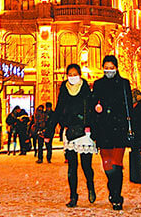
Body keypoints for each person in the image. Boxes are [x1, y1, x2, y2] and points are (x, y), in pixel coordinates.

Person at [49, 63, 97, 208]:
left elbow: (92, 110)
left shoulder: (86, 88)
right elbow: (58, 109)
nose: (72, 77)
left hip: (84, 132)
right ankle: (73, 196)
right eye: (70, 74)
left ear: (80, 74)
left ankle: (90, 186)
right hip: (69, 131)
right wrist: (49, 130)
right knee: (72, 167)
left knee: (86, 166)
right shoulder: (64, 89)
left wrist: (93, 128)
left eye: (75, 74)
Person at [92, 55, 133, 211]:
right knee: (107, 165)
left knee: (117, 164)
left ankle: (117, 196)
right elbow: (93, 105)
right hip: (103, 130)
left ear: (116, 68)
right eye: (106, 67)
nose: (109, 70)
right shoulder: (98, 84)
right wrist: (97, 108)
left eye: (111, 67)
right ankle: (112, 189)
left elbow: (129, 107)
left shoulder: (124, 84)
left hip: (119, 130)